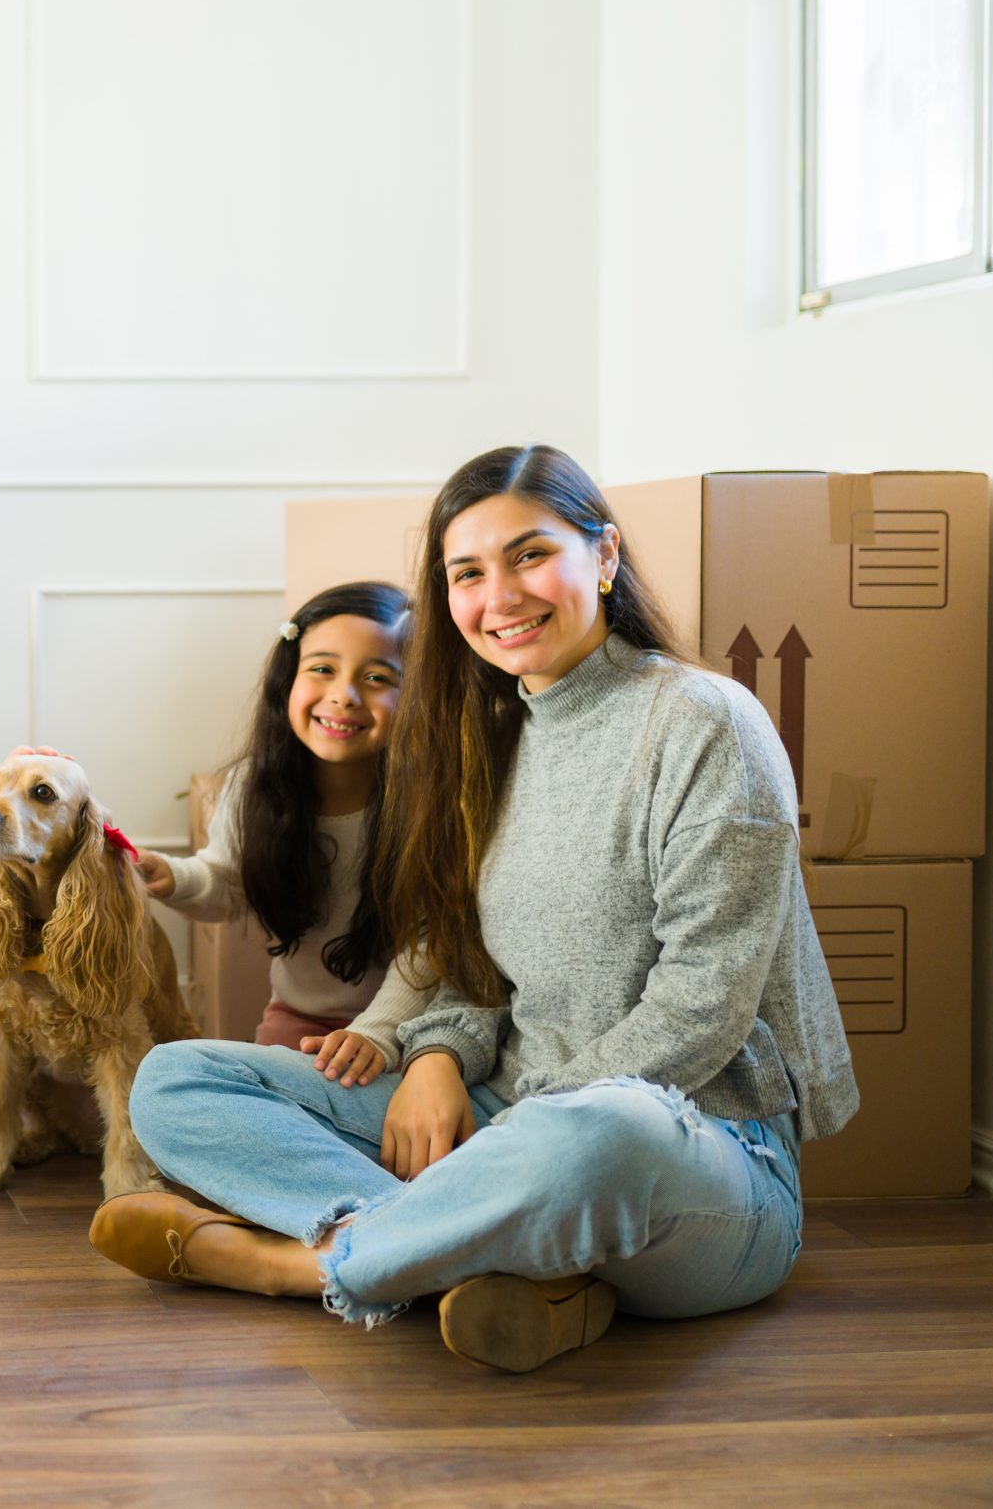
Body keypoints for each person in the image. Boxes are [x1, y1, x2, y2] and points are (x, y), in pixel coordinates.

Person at [95, 443, 858, 1372]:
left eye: (530, 554)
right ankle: (514, 1270)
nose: (499, 595)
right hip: (502, 1122)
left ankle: (305, 1263)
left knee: (603, 1131)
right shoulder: (486, 740)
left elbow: (706, 1004)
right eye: (468, 572)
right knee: (176, 1082)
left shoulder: (705, 723)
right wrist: (440, 1056)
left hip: (692, 1148)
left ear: (605, 555)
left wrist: (517, 1131)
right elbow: (472, 963)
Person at [133, 581, 430, 1086]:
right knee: (171, 1081)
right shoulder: (256, 785)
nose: (343, 695)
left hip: (410, 1027)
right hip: (299, 1021)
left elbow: (432, 943)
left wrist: (377, 1032)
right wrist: (171, 877)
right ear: (287, 679)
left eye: (378, 677)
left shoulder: (428, 799)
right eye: (322, 669)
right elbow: (227, 885)